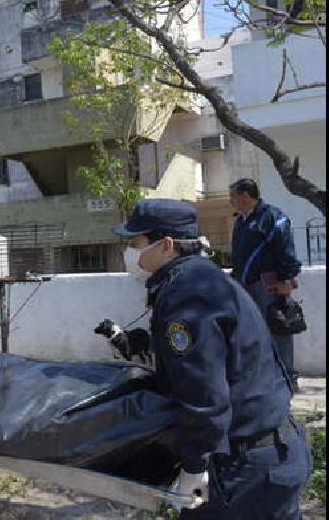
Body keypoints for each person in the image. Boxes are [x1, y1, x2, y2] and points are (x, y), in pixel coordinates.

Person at [112, 198, 310, 519]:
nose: (129, 252)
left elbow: (203, 391)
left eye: (135, 243)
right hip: (276, 449)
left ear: (166, 245)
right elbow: (218, 357)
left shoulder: (186, 292)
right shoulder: (206, 279)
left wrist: (195, 465)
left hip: (245, 468)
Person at [229, 178, 302, 391]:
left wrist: (286, 278)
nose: (231, 202)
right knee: (252, 331)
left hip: (268, 285)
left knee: (279, 328)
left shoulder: (272, 217)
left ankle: (289, 378)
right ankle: (263, 376)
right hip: (245, 285)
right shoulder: (242, 221)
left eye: (233, 197)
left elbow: (285, 249)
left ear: (245, 195)